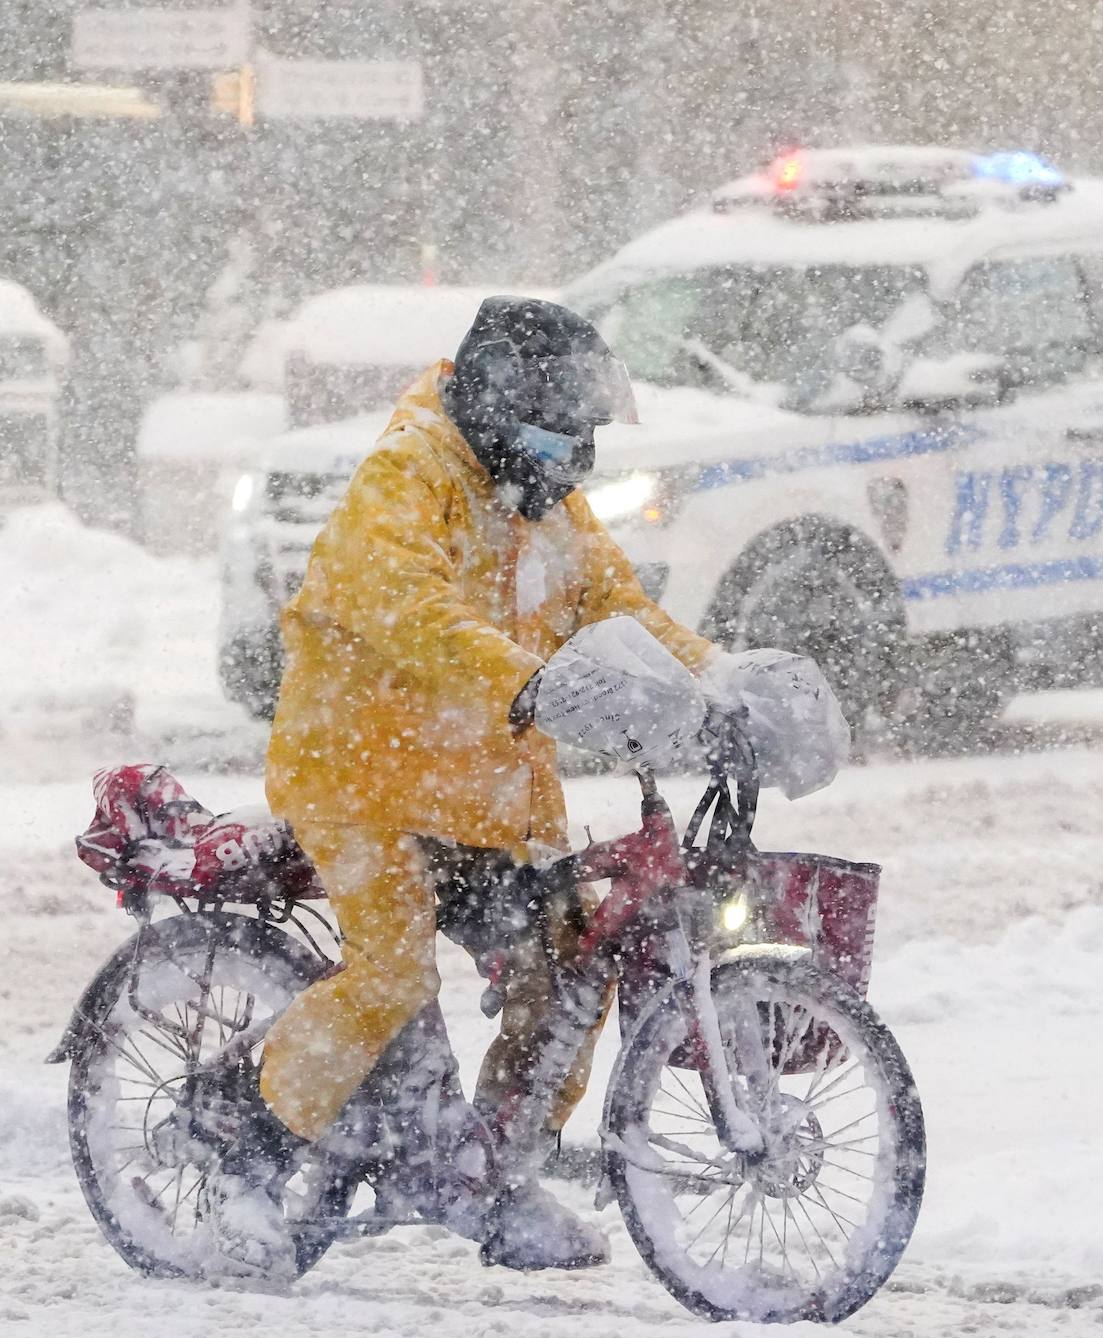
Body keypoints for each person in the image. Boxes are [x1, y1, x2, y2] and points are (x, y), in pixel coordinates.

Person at [207, 296, 841, 1278]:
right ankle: (248, 1149)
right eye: (563, 424)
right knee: (390, 977)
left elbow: (618, 604)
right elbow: (406, 607)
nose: (578, 449)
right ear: (503, 405)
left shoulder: (539, 498)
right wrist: (525, 683)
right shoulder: (407, 478)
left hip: (481, 789)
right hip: (359, 773)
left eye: (587, 428)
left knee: (566, 962)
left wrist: (717, 681)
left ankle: (487, 1178)